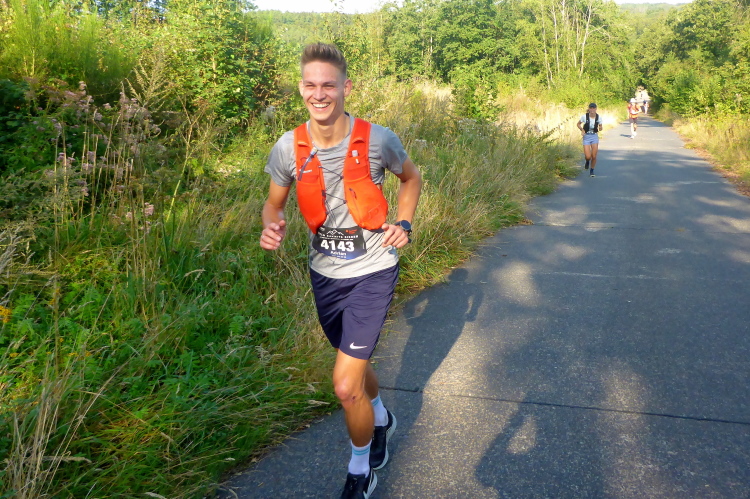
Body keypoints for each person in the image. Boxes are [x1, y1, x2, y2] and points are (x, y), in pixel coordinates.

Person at [259, 42, 422, 499]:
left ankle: (360, 470)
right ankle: (381, 415)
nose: (319, 94)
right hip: (325, 274)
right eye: (311, 85)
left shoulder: (378, 140)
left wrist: (404, 223)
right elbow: (273, 205)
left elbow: (411, 178)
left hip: (373, 269)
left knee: (345, 385)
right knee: (354, 363)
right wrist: (271, 226)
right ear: (301, 88)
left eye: (328, 85)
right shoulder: (288, 147)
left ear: (346, 87)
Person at [577, 103, 603, 178]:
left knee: (594, 156)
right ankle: (587, 161)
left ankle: (592, 170)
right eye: (591, 108)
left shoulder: (598, 117)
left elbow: (600, 126)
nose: (592, 110)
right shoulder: (584, 117)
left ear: (596, 109)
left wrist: (600, 128)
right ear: (589, 109)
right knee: (588, 156)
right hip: (586, 136)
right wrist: (582, 130)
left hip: (594, 136)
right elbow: (578, 124)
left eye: (593, 108)